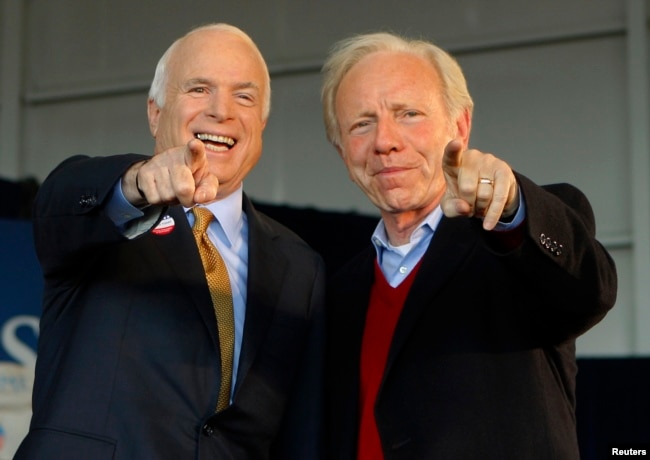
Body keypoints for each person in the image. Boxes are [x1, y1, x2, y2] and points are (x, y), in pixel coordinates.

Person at [15, 23, 325, 460]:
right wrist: (139, 181)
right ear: (155, 112)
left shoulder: (300, 268)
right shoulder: (107, 215)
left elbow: (301, 435)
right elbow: (61, 200)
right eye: (199, 89)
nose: (222, 111)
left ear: (263, 122)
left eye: (244, 96)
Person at [321, 32, 617, 460]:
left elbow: (590, 291)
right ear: (341, 151)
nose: (385, 141)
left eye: (408, 114)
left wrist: (513, 208)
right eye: (362, 123)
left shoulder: (514, 237)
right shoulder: (336, 293)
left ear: (459, 125)